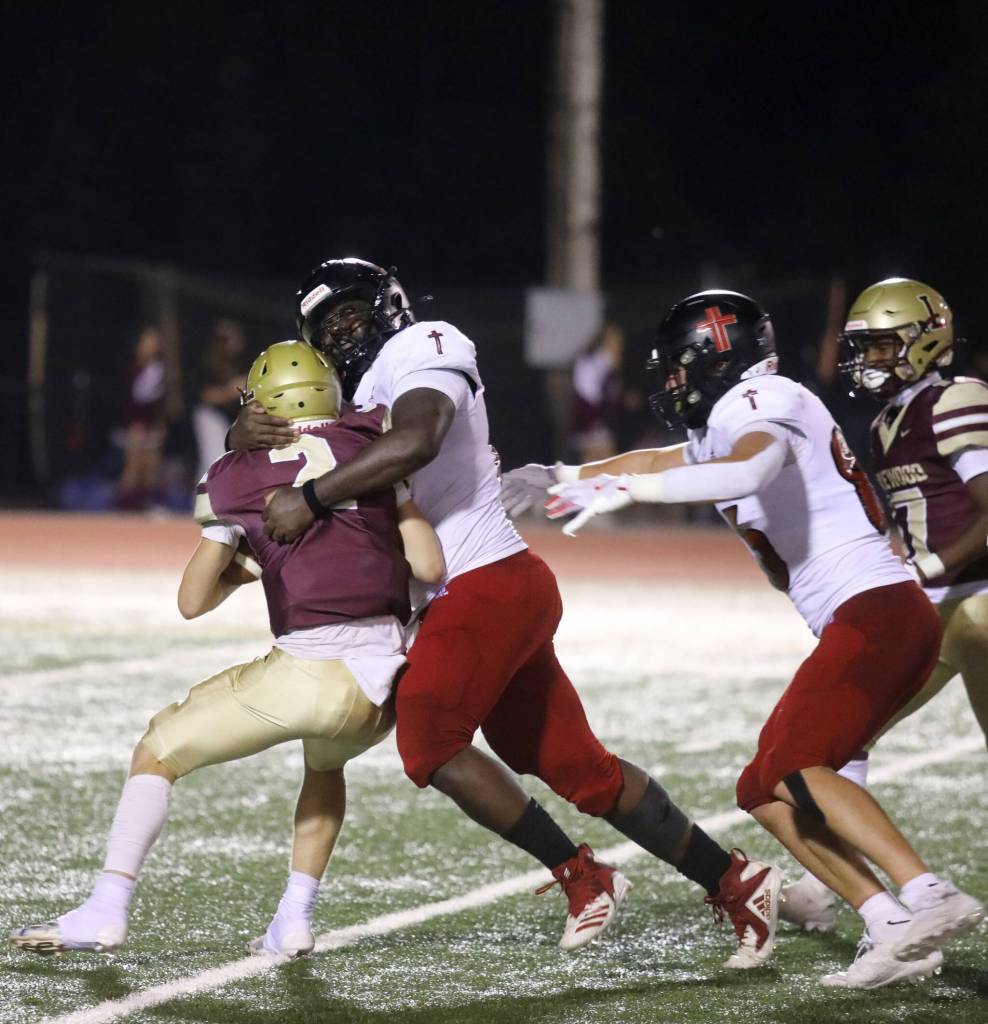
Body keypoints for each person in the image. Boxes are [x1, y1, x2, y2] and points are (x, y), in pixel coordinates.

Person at [234, 257, 782, 967]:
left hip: (484, 580)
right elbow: (273, 469)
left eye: (351, 315)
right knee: (574, 767)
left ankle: (582, 877)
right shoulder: (346, 393)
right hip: (471, 593)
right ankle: (737, 880)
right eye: (326, 328)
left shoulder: (426, 344)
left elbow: (418, 438)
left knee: (429, 739)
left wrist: (310, 499)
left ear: (389, 305)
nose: (343, 336)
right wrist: (241, 437)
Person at [506, 289, 985, 989]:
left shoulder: (765, 400)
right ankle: (885, 921)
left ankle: (929, 895)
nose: (671, 380)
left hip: (878, 606)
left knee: (798, 761)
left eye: (680, 365)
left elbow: (748, 470)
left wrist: (622, 496)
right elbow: (659, 462)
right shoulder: (724, 420)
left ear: (717, 357)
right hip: (859, 615)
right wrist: (563, 474)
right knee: (761, 787)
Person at [10, 341, 444, 958]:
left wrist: (241, 551)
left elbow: (192, 600)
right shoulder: (370, 441)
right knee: (325, 767)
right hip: (383, 688)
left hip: (310, 671)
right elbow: (428, 562)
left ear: (260, 405)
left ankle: (106, 907)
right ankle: (293, 919)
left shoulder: (236, 476)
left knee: (157, 749)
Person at [779, 278, 988, 932]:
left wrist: (931, 563)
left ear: (926, 342)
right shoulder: (882, 422)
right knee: (840, 744)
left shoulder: (956, 399)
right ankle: (849, 890)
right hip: (934, 616)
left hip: (977, 605)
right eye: (864, 348)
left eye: (882, 347)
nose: (869, 361)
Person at [116, 325, 167, 510]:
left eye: (155, 343)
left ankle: (150, 505)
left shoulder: (160, 369)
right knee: (133, 468)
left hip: (152, 423)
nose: (152, 346)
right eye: (148, 342)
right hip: (136, 424)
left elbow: (160, 402)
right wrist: (132, 424)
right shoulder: (135, 369)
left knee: (152, 468)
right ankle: (122, 507)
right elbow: (131, 399)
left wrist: (160, 423)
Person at [193, 318, 247, 479]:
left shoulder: (237, 362)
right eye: (230, 338)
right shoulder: (207, 362)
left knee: (230, 461)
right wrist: (233, 389)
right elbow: (206, 396)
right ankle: (202, 500)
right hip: (209, 416)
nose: (236, 341)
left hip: (230, 418)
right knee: (213, 460)